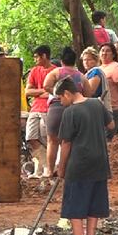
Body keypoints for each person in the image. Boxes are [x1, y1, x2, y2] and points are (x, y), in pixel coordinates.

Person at [54, 78, 115, 235]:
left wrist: (61, 167)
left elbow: (66, 143)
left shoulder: (70, 112)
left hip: (79, 163)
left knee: (75, 201)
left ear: (67, 93)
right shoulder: (97, 104)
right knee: (94, 201)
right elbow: (111, 125)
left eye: (60, 98)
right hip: (100, 161)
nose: (61, 102)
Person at [43, 46, 91, 175]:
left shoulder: (56, 72)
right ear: (75, 61)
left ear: (61, 60)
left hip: (56, 109)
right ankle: (66, 170)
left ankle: (50, 171)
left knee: (52, 141)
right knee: (69, 141)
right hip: (75, 109)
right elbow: (88, 94)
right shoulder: (81, 76)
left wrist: (58, 94)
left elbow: (46, 85)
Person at [25, 45, 57, 177]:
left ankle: (47, 168)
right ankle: (46, 166)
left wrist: (39, 93)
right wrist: (43, 91)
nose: (35, 59)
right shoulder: (34, 71)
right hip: (35, 108)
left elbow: (55, 92)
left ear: (44, 56)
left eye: (37, 56)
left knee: (46, 138)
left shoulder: (56, 71)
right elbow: (27, 91)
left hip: (49, 108)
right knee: (30, 137)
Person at [98, 43, 118, 125]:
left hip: (112, 107)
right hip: (101, 107)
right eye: (102, 50)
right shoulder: (99, 68)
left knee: (109, 134)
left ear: (113, 55)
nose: (104, 53)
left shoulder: (115, 67)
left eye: (108, 51)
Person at [81, 48, 113, 116]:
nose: (86, 62)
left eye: (89, 60)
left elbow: (90, 92)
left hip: (96, 108)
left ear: (96, 60)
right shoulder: (88, 73)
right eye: (84, 60)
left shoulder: (95, 72)